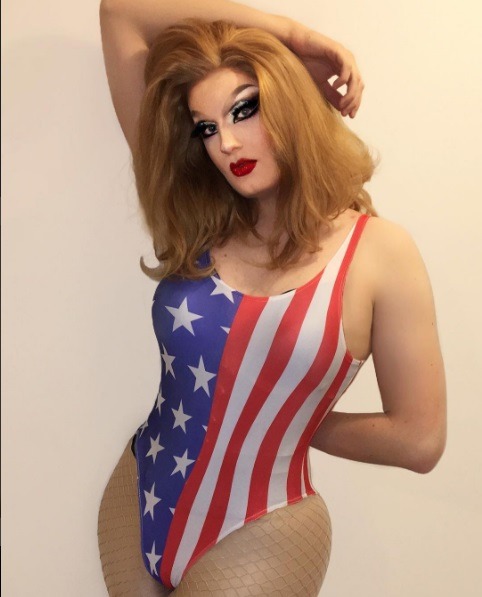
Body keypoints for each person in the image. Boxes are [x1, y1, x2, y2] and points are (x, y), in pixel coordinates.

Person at [97, 1, 447, 595]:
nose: (227, 143)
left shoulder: (380, 253)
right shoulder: (197, 216)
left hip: (259, 528)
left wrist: (288, 418)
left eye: (245, 109)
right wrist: (292, 35)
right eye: (207, 127)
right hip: (140, 491)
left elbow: (419, 439)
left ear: (290, 103)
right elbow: (121, 12)